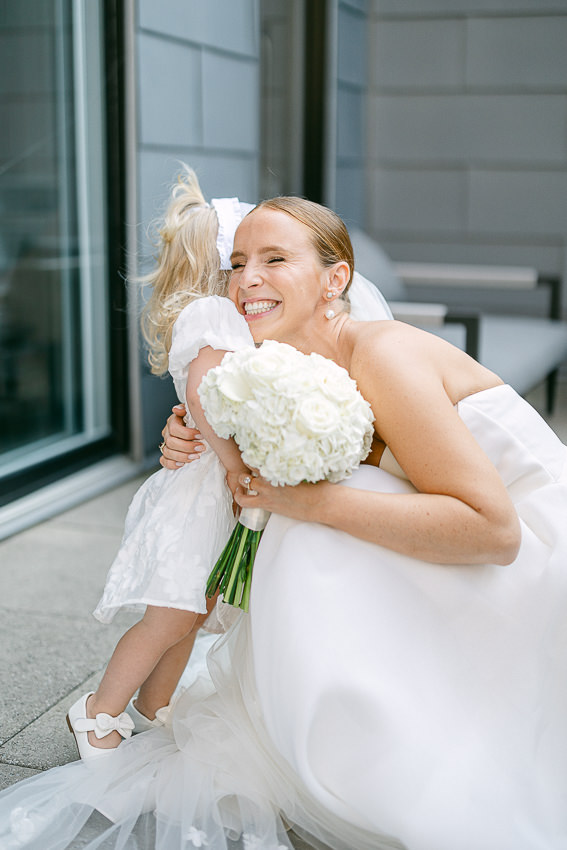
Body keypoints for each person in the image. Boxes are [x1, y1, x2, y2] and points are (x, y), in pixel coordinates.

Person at [1, 196, 566, 850]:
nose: (245, 279)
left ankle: (375, 733)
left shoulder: (383, 353)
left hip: (539, 556)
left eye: (274, 259)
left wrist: (303, 502)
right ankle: (349, 725)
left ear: (335, 280)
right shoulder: (298, 374)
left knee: (314, 516)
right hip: (486, 547)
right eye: (237, 261)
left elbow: (495, 533)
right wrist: (190, 434)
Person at [66, 166, 257, 759]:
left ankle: (155, 704)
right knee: (171, 613)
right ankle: (97, 711)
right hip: (204, 487)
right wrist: (231, 466)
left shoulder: (218, 314)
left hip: (209, 483)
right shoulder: (213, 313)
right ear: (226, 264)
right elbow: (202, 398)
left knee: (194, 609)